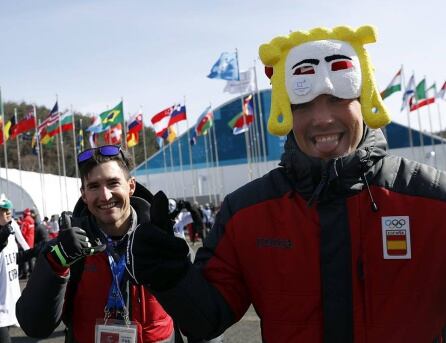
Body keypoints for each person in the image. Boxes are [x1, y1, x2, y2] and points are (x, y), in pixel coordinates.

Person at [122, 24, 446, 342]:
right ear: (284, 111)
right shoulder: (245, 212)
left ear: (364, 100)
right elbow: (208, 320)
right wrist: (171, 275)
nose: (322, 118)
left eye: (337, 98)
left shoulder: (433, 201)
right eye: (303, 104)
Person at [16, 145, 179, 342]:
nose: (105, 196)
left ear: (131, 186)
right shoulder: (67, 249)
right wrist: (57, 262)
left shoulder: (162, 239)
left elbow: (201, 320)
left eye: (113, 183)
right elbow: (34, 326)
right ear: (84, 194)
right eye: (94, 186)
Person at [0, 195, 30, 343]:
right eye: (3, 209)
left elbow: (14, 258)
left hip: (10, 302)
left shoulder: (10, 229)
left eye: (8, 208)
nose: (8, 212)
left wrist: (35, 252)